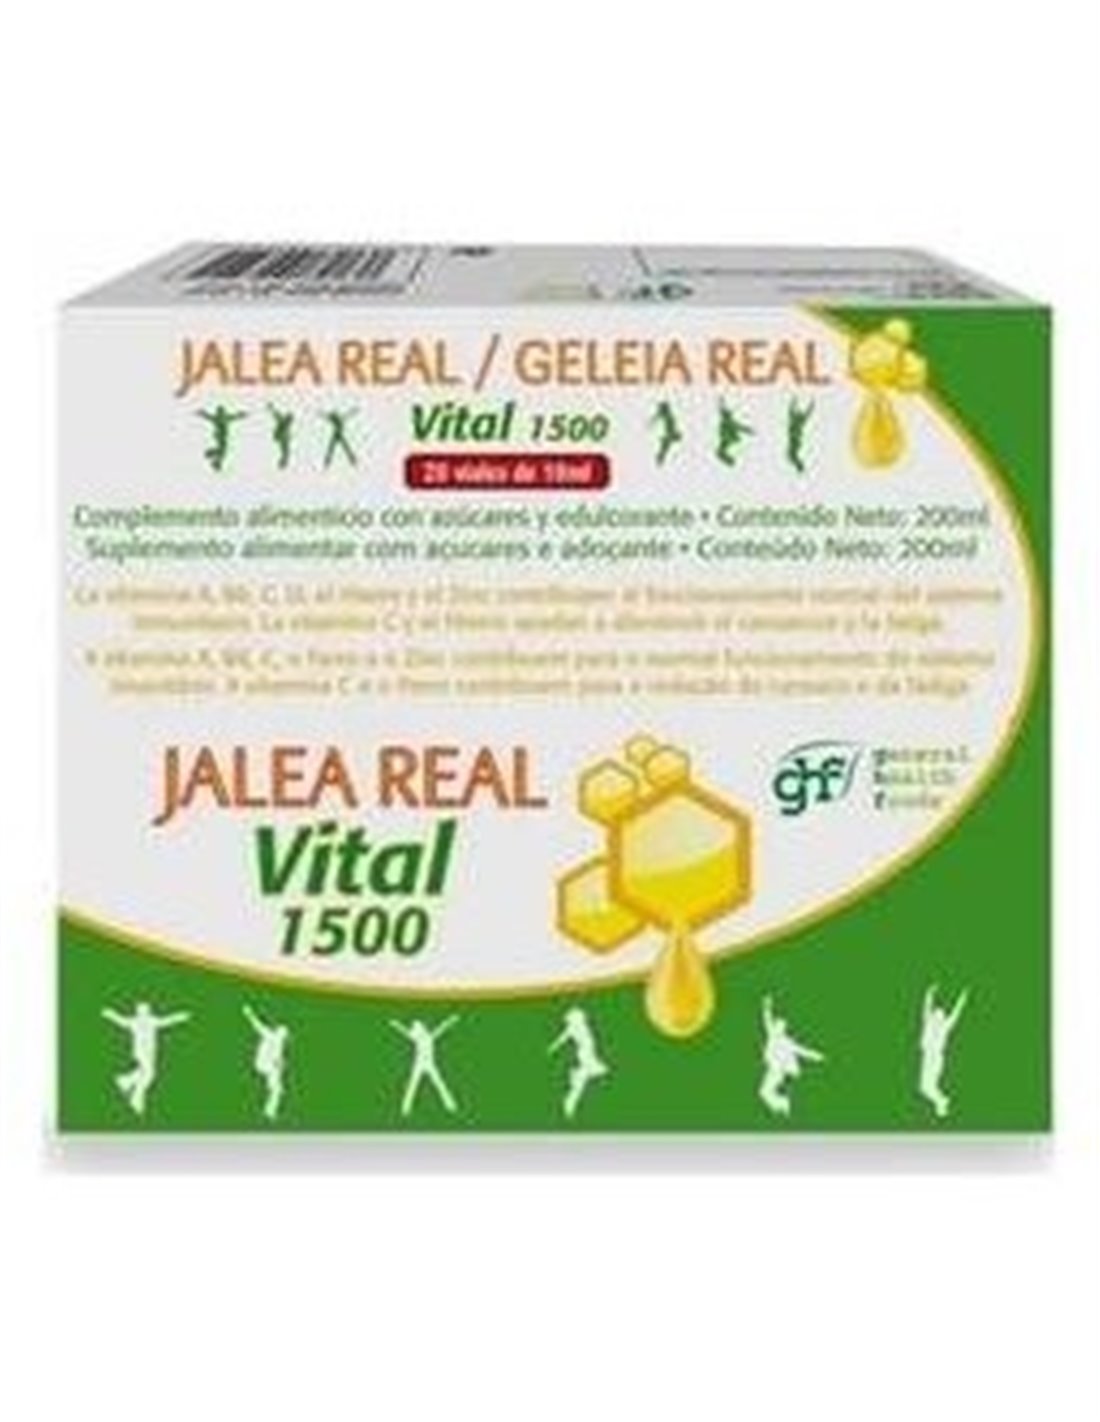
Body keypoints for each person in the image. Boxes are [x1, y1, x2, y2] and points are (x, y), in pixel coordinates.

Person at [101, 1000, 191, 1116]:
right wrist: (110, 1014)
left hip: (149, 1052)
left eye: (145, 1010)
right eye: (142, 1010)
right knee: (149, 1074)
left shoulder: (148, 1021)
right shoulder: (139, 1022)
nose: (144, 1013)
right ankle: (136, 1096)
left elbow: (167, 1021)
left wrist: (181, 1017)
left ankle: (125, 1081)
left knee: (145, 1073)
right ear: (139, 1012)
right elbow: (121, 1021)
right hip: (142, 1052)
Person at [758, 995, 825, 1117]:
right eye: (776, 1025)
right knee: (764, 1092)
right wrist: (767, 1006)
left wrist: (816, 1056)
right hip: (774, 1069)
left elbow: (803, 1051)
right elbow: (767, 1020)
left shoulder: (786, 1042)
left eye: (780, 1026)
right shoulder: (772, 1035)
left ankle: (783, 1103)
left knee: (764, 1092)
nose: (776, 1027)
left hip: (778, 1070)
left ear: (783, 1029)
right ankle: (780, 1105)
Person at [389, 1016, 460, 1117]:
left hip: (429, 1063)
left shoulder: (428, 1036)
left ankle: (450, 1104)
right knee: (414, 1084)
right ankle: (405, 1108)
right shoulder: (418, 1038)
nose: (415, 1031)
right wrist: (396, 1024)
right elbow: (405, 1032)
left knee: (437, 1083)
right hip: (419, 1063)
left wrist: (451, 1020)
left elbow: (441, 1028)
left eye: (416, 1029)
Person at [549, 1007, 610, 1119]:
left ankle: (570, 1100)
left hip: (587, 1055)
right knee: (581, 1079)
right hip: (585, 1055)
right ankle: (569, 1102)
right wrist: (553, 1047)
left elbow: (563, 1039)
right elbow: (562, 1039)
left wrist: (553, 1047)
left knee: (581, 1079)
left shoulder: (581, 1027)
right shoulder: (574, 1028)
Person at [919, 984, 969, 1119]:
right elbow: (926, 1008)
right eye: (936, 1012)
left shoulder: (945, 1026)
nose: (937, 1014)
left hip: (935, 1057)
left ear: (943, 1017)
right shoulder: (928, 1022)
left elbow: (955, 1014)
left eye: (940, 1014)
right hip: (927, 1056)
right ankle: (942, 1102)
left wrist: (962, 999)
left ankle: (942, 1102)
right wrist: (929, 993)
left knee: (926, 1087)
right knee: (925, 1088)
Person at [243, 1004, 290, 1121]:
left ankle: (270, 1110)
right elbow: (257, 1024)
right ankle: (271, 1106)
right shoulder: (269, 1034)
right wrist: (249, 1013)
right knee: (277, 1087)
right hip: (262, 1064)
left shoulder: (280, 1045)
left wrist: (281, 1064)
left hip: (268, 1067)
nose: (283, 1037)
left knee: (277, 1090)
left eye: (285, 1035)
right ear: (278, 1031)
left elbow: (278, 1060)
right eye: (283, 1033)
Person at [196, 404, 248, 472]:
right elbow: (235, 417)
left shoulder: (218, 418)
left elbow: (208, 416)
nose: (221, 414)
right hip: (221, 436)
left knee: (222, 449)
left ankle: (212, 454)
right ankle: (213, 455)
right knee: (223, 450)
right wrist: (241, 415)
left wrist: (202, 413)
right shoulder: (223, 418)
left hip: (220, 436)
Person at [650, 400, 683, 466]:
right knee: (664, 448)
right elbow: (668, 418)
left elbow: (663, 451)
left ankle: (659, 460)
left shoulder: (668, 440)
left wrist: (660, 457)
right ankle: (663, 407)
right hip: (665, 415)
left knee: (664, 448)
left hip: (665, 436)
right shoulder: (671, 426)